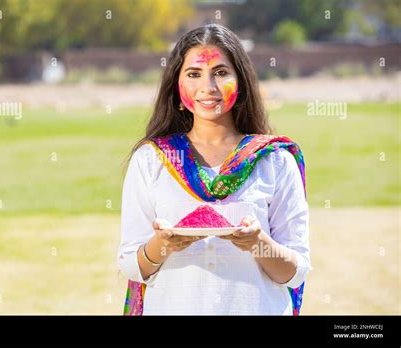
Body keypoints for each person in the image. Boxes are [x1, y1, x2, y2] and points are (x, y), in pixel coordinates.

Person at [117, 24, 311, 315]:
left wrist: (257, 243)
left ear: (241, 81)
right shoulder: (152, 159)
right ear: (176, 84)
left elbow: (295, 272)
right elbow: (131, 265)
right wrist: (163, 244)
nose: (208, 87)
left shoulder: (274, 161)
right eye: (194, 74)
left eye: (220, 73)